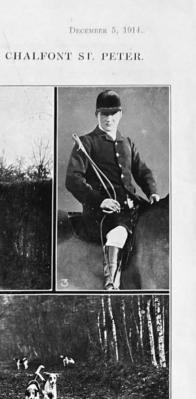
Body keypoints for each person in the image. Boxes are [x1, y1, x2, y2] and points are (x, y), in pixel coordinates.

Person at [65, 90, 160, 290]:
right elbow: (72, 180)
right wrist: (100, 201)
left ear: (120, 115)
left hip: (130, 209)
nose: (109, 118)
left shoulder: (127, 143)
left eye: (113, 113)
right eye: (104, 114)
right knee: (117, 235)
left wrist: (151, 190)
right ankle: (111, 283)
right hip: (100, 213)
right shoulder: (86, 143)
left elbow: (141, 170)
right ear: (97, 115)